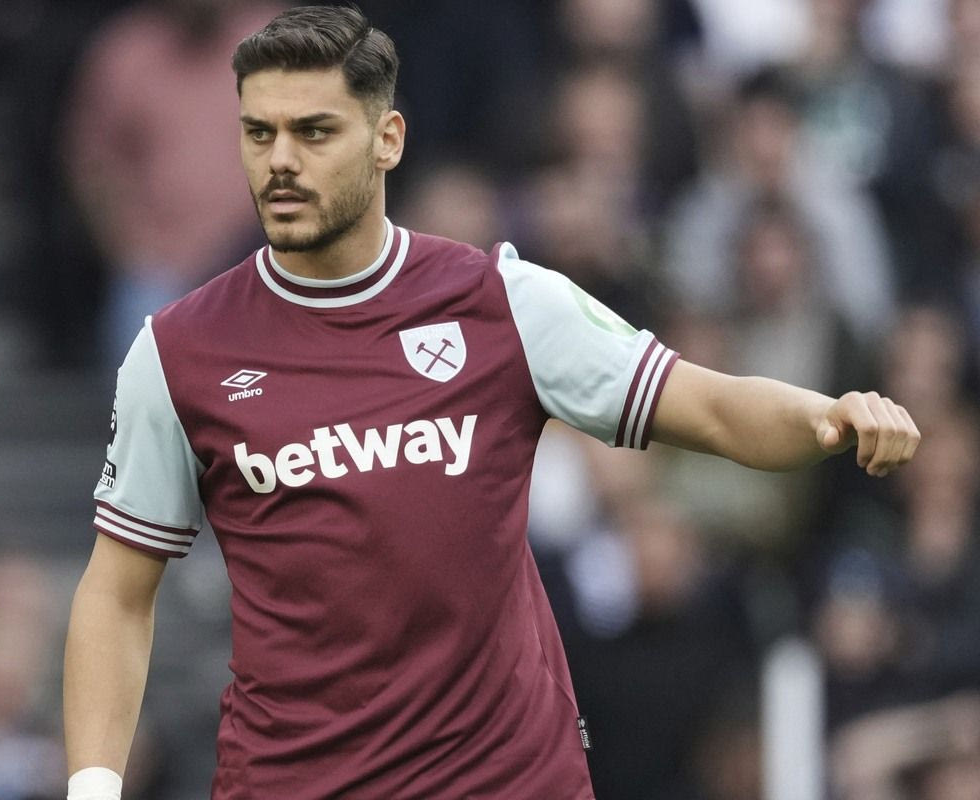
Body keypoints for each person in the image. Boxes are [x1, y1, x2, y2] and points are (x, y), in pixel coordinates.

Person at [62, 7, 921, 799]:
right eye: (260, 133)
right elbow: (117, 592)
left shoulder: (504, 303)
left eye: (314, 131)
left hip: (506, 781)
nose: (280, 160)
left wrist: (829, 416)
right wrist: (92, 788)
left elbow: (717, 408)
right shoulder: (178, 353)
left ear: (387, 139)